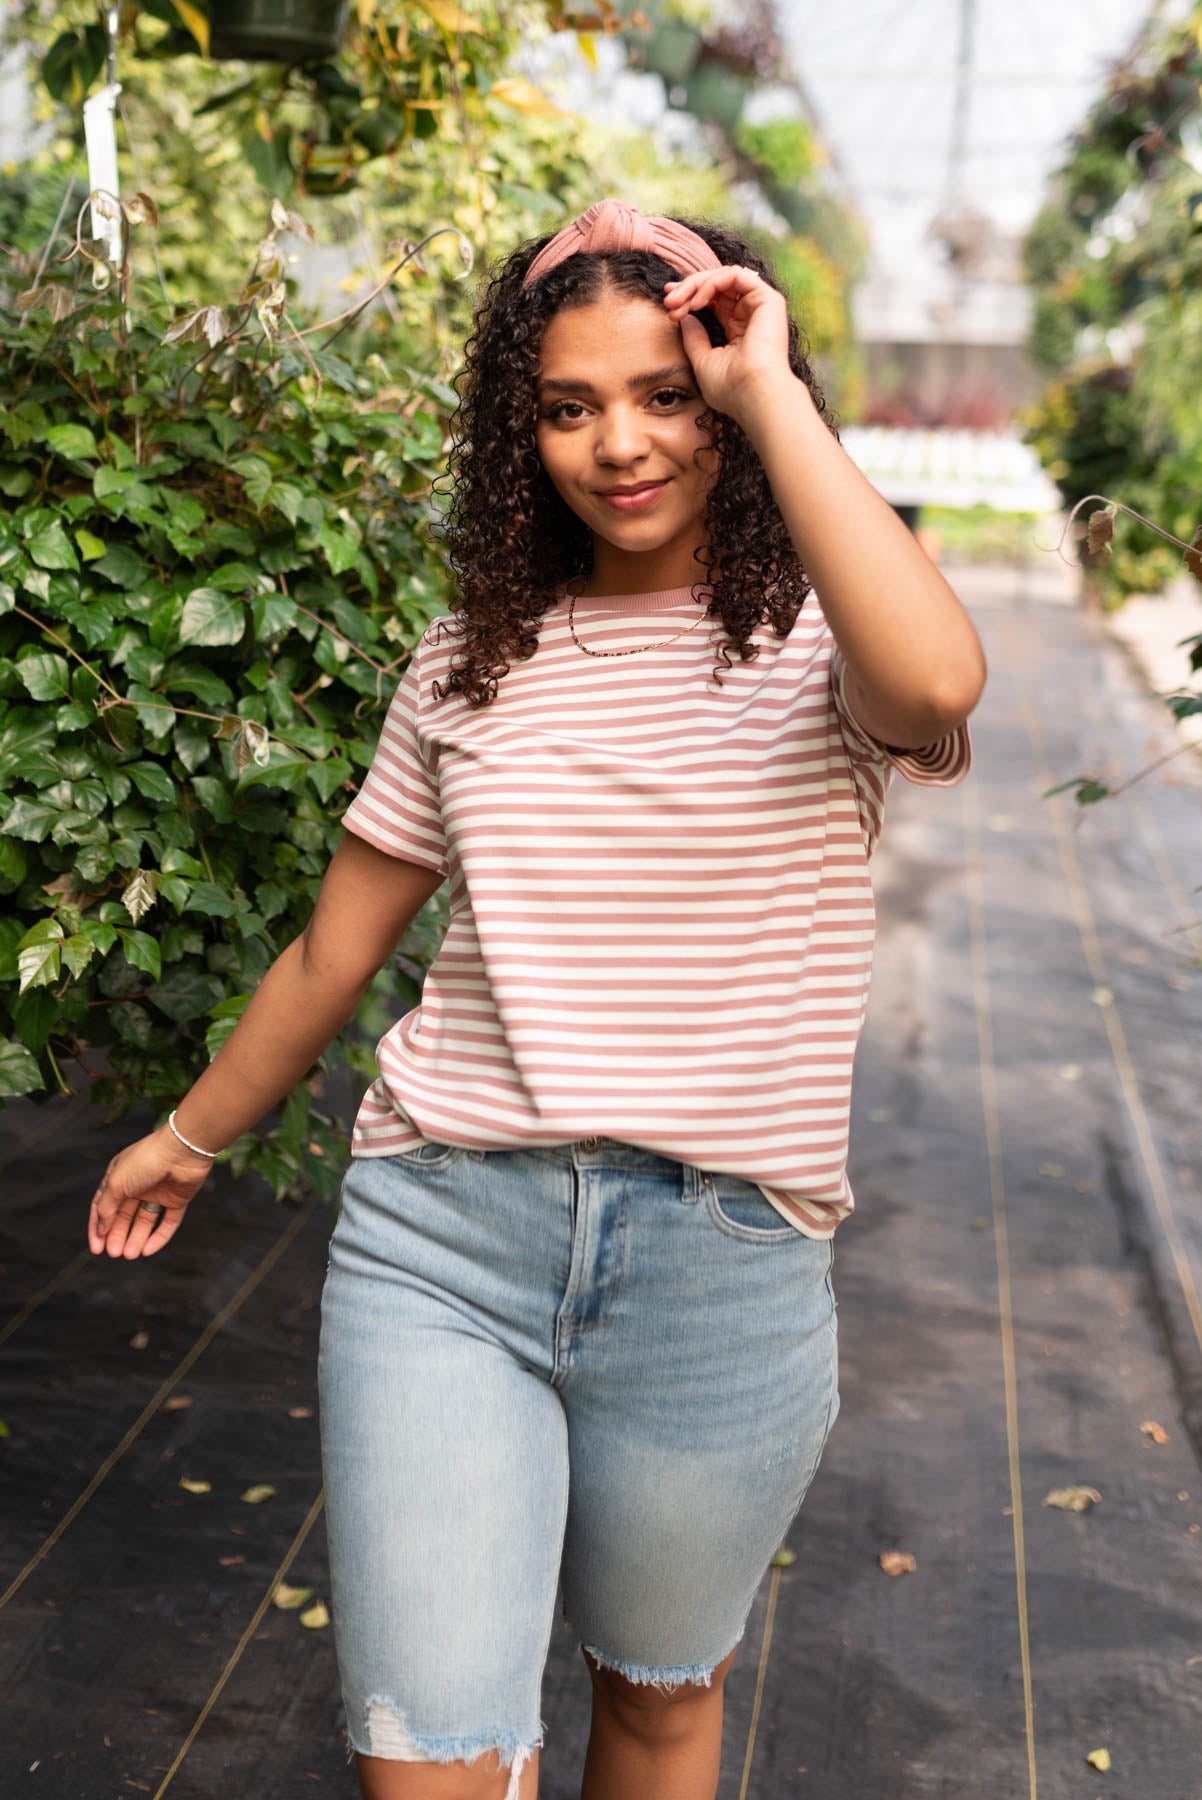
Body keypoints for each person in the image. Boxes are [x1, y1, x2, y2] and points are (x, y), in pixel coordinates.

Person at [87, 198, 985, 1800]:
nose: (618, 444)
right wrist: (190, 1136)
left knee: (651, 1702)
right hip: (443, 1242)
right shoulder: (468, 659)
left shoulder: (811, 645)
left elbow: (932, 684)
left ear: (723, 394)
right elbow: (330, 953)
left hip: (721, 1271)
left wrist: (770, 394)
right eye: (566, 408)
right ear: (522, 435)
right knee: (429, 1758)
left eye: (665, 393)